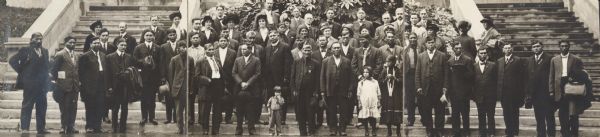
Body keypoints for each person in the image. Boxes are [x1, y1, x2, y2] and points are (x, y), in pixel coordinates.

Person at [549, 40, 585, 137]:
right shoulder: (554, 59)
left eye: (566, 46)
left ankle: (574, 133)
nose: (564, 48)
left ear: (569, 47)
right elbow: (551, 76)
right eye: (562, 46)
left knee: (573, 113)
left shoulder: (576, 59)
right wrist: (551, 90)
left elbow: (582, 74)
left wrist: (574, 78)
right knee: (562, 113)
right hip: (559, 88)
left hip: (572, 87)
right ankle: (565, 133)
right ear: (559, 47)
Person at [415, 37, 449, 136]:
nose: (430, 44)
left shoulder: (442, 56)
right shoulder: (421, 56)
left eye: (432, 42)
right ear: (425, 44)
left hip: (438, 88)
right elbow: (417, 73)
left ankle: (439, 129)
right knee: (427, 110)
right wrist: (418, 86)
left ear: (435, 43)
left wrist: (445, 88)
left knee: (440, 110)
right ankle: (429, 129)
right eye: (428, 43)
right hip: (426, 88)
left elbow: (446, 73)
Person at [320, 42, 353, 136]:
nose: (337, 49)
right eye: (334, 48)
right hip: (330, 89)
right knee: (331, 110)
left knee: (343, 110)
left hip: (343, 90)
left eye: (338, 48)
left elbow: (351, 77)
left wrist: (350, 89)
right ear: (331, 50)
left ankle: (342, 129)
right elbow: (322, 77)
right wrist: (323, 91)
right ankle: (333, 128)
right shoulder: (326, 61)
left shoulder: (346, 61)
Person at [525, 40, 556, 137]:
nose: (536, 48)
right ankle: (541, 135)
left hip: (547, 93)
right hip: (535, 94)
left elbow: (553, 75)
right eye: (534, 47)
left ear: (542, 47)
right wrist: (528, 93)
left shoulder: (550, 58)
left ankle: (551, 135)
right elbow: (527, 77)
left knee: (549, 117)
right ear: (532, 49)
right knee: (539, 117)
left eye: (538, 46)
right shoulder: (529, 60)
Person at [105, 38, 136, 133]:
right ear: (117, 45)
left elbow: (132, 69)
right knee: (115, 107)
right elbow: (107, 73)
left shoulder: (129, 57)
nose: (123, 47)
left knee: (125, 107)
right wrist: (109, 86)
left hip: (126, 86)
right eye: (121, 45)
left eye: (125, 45)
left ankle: (123, 126)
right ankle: (114, 126)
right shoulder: (110, 57)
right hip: (115, 86)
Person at [78, 37, 108, 133]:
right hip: (89, 86)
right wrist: (84, 86)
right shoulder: (85, 56)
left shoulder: (103, 55)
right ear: (90, 44)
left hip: (101, 85)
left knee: (100, 106)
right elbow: (81, 73)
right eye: (94, 43)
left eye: (98, 43)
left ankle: (98, 126)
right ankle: (89, 126)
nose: (97, 45)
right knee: (90, 107)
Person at [195, 43, 226, 135]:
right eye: (209, 49)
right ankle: (205, 128)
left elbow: (221, 73)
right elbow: (197, 76)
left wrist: (223, 85)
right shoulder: (200, 61)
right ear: (205, 50)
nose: (211, 51)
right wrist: (207, 79)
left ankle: (216, 129)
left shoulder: (217, 60)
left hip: (218, 85)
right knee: (206, 109)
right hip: (207, 86)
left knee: (217, 109)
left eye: (212, 49)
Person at [263, 30, 293, 124]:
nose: (272, 37)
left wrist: (286, 78)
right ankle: (271, 118)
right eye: (270, 36)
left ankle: (282, 119)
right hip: (269, 79)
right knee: (270, 98)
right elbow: (265, 64)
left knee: (281, 99)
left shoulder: (285, 47)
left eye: (274, 35)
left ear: (278, 36)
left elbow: (288, 64)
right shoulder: (267, 48)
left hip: (281, 78)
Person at [496, 44, 526, 137]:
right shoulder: (499, 61)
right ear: (503, 50)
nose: (508, 49)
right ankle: (508, 131)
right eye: (506, 48)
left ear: (512, 49)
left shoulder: (518, 60)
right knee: (506, 113)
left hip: (514, 92)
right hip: (503, 92)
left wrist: (521, 92)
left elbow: (522, 77)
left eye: (509, 48)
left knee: (514, 112)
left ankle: (515, 132)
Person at [52, 36, 80, 134]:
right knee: (64, 107)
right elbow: (54, 70)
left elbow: (77, 69)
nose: (72, 44)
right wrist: (58, 81)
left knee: (73, 107)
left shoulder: (76, 55)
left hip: (74, 85)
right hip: (63, 86)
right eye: (70, 42)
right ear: (65, 43)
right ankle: (63, 126)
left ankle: (71, 126)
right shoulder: (60, 54)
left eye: (74, 43)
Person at [290, 44, 320, 136]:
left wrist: (316, 92)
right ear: (302, 51)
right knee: (300, 112)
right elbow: (292, 77)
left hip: (310, 93)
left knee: (310, 112)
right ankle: (302, 132)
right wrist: (294, 90)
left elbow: (318, 80)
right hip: (299, 92)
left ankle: (311, 132)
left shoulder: (316, 63)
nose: (307, 52)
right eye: (305, 50)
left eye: (308, 50)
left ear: (311, 52)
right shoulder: (297, 62)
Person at [134, 29, 162, 126]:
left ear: (153, 37)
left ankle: (152, 117)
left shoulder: (157, 48)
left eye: (151, 35)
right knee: (144, 98)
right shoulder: (138, 47)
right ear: (144, 36)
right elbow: (134, 61)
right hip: (143, 77)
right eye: (147, 35)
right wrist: (143, 61)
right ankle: (144, 117)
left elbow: (160, 62)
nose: (149, 37)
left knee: (152, 98)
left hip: (154, 77)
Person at [233, 44, 262, 135]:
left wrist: (248, 83)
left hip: (251, 89)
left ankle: (251, 128)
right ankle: (239, 128)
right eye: (241, 49)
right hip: (240, 88)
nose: (242, 51)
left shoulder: (256, 60)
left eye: (244, 49)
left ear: (250, 49)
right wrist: (241, 82)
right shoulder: (238, 60)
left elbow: (257, 74)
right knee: (239, 110)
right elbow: (234, 73)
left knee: (251, 110)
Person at [447, 43, 474, 137]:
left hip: (464, 92)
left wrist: (461, 72)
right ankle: (456, 132)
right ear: (453, 49)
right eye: (456, 48)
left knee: (465, 113)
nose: (459, 49)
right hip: (454, 92)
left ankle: (466, 132)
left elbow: (471, 75)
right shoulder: (450, 61)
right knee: (455, 114)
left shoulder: (467, 60)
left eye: (460, 48)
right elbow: (448, 77)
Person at [168, 41, 195, 134]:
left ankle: (187, 129)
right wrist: (172, 88)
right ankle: (180, 128)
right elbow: (171, 75)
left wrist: (191, 87)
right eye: (180, 47)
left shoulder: (190, 59)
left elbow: (192, 74)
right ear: (178, 49)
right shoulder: (174, 59)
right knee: (179, 111)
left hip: (187, 88)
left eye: (184, 47)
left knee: (188, 111)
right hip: (178, 88)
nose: (182, 49)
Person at [473, 48, 497, 137]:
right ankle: (482, 133)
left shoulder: (493, 65)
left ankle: (492, 132)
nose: (483, 55)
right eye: (481, 53)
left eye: (484, 53)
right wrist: (474, 95)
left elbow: (496, 80)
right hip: (479, 96)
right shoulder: (474, 66)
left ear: (487, 54)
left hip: (490, 96)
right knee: (481, 115)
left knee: (491, 115)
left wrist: (495, 94)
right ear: (478, 54)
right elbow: (472, 82)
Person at [159, 29, 179, 124]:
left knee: (176, 97)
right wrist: (162, 75)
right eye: (170, 35)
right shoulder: (163, 47)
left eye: (174, 34)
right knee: (168, 97)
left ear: (176, 35)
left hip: (178, 75)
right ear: (168, 36)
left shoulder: (181, 45)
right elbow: (162, 62)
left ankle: (176, 117)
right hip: (168, 75)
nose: (172, 36)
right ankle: (168, 117)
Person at [216, 37, 238, 124]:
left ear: (228, 42)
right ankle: (218, 117)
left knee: (229, 99)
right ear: (218, 42)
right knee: (218, 99)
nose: (223, 42)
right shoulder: (214, 52)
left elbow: (235, 66)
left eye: (224, 41)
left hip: (230, 79)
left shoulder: (233, 53)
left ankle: (228, 118)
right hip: (217, 79)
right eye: (221, 41)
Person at [380, 56, 402, 136]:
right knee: (388, 113)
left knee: (396, 112)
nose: (387, 63)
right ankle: (389, 131)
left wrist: (394, 78)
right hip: (387, 95)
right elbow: (380, 82)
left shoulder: (397, 70)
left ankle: (398, 131)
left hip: (396, 95)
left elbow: (401, 81)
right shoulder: (384, 71)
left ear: (393, 62)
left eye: (389, 61)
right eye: (386, 61)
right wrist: (386, 79)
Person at [356, 67, 381, 136]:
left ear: (370, 73)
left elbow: (378, 92)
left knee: (373, 117)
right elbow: (358, 93)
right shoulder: (361, 82)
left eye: (367, 72)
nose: (365, 74)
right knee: (365, 117)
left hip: (373, 102)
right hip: (364, 102)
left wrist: (378, 101)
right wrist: (359, 102)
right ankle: (366, 130)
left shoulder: (375, 82)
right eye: (364, 72)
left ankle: (373, 130)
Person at [402, 32, 419, 126]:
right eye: (411, 38)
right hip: (409, 75)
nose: (413, 40)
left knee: (421, 98)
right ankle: (410, 119)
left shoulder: (421, 49)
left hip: (420, 75)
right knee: (410, 99)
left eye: (414, 38)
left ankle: (424, 118)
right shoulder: (406, 50)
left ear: (417, 39)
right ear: (409, 39)